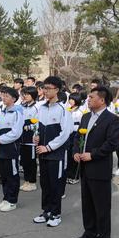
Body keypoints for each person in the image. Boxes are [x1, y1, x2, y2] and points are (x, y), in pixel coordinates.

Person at [72, 86, 119, 238]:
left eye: (91, 97)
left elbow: (112, 143)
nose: (88, 99)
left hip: (99, 168)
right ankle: (90, 232)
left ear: (101, 100)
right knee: (87, 203)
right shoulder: (86, 117)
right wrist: (76, 152)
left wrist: (92, 154)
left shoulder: (112, 119)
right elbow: (78, 136)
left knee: (102, 206)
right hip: (84, 167)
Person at [33, 76, 72, 227]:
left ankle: (56, 213)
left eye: (48, 88)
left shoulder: (63, 110)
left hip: (56, 154)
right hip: (42, 152)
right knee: (45, 183)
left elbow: (65, 133)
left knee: (55, 184)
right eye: (44, 88)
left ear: (56, 90)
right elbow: (37, 127)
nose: (45, 91)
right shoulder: (41, 107)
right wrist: (35, 136)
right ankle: (46, 211)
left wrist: (48, 147)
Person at [0, 87, 24, 211]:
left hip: (11, 148)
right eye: (3, 96)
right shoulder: (1, 111)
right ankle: (5, 198)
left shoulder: (17, 112)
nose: (3, 98)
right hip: (1, 148)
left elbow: (16, 132)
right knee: (4, 174)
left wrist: (0, 140)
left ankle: (12, 201)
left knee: (12, 174)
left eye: (7, 96)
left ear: (14, 98)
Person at [20, 86, 39, 192]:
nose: (25, 96)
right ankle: (26, 180)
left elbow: (38, 123)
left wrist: (30, 127)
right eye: (24, 94)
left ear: (33, 95)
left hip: (31, 138)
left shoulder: (37, 107)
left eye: (27, 94)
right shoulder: (23, 106)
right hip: (22, 137)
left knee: (31, 161)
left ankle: (32, 182)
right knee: (25, 161)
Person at [66, 92, 85, 185]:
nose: (70, 101)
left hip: (77, 133)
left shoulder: (80, 111)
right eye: (70, 99)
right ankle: (68, 174)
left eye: (72, 99)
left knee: (75, 153)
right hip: (68, 133)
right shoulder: (68, 109)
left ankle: (75, 176)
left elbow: (82, 123)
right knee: (69, 154)